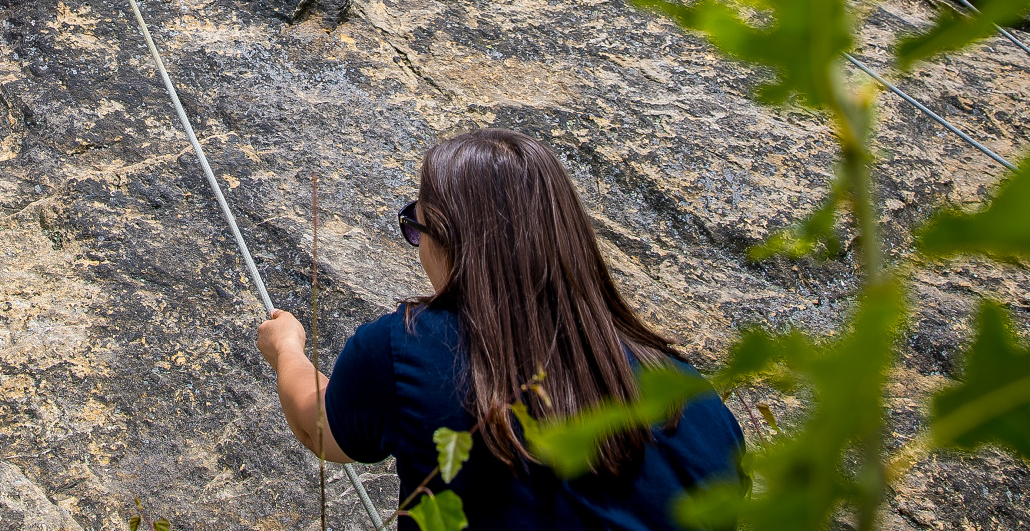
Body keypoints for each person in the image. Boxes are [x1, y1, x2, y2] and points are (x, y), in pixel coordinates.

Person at [256, 128, 742, 528]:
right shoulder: (694, 398)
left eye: (414, 228)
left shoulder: (405, 347)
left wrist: (288, 348)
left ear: (445, 239)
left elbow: (318, 425)